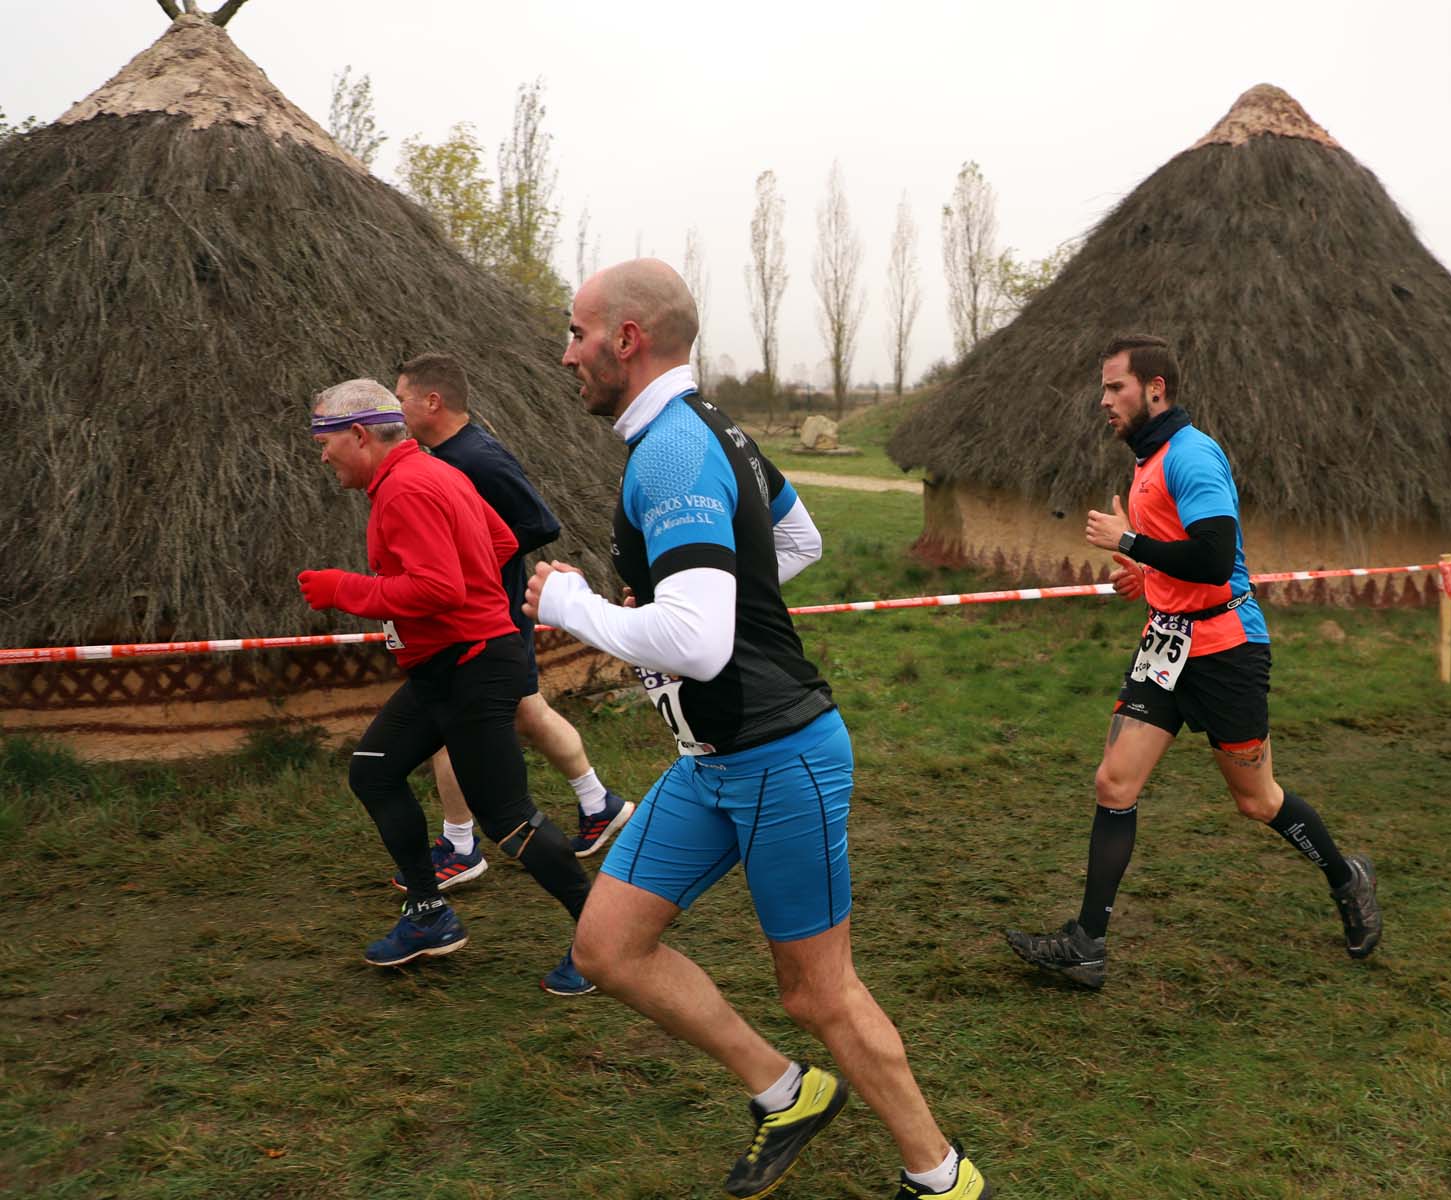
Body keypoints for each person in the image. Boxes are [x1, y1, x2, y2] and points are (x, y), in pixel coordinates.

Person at [525, 259, 986, 1200]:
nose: (564, 353)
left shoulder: (671, 451)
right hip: (709, 764)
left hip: (781, 758)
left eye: (575, 333)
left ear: (628, 339)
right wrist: (688, 590)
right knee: (606, 947)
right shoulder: (713, 430)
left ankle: (941, 1178)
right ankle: (787, 1092)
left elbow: (695, 641)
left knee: (818, 991)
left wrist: (573, 605)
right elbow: (798, 540)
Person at [1003, 333, 1382, 992]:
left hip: (1227, 650)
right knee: (1113, 784)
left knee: (1257, 800)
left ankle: (1345, 877)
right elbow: (1178, 569)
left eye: (1115, 387)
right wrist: (1143, 578)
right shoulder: (1148, 463)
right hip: (1167, 642)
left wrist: (1128, 541)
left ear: (1156, 388)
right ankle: (1087, 944)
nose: (1104, 401)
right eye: (1103, 388)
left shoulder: (1192, 456)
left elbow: (1212, 561)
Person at [299, 379, 597, 996]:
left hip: (473, 665)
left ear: (358, 436)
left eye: (324, 442)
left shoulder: (407, 488)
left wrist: (342, 590)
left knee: (507, 819)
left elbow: (437, 590)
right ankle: (429, 916)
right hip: (451, 663)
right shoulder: (436, 472)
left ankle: (604, 942)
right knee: (375, 773)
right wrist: (476, 600)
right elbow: (502, 542)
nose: (321, 455)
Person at [390, 352, 634, 893]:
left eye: (402, 397)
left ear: (432, 401)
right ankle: (600, 803)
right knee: (527, 709)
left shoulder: (476, 457)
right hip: (486, 614)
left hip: (487, 617)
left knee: (450, 720)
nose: (397, 408)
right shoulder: (448, 455)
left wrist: (470, 558)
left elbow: (538, 522)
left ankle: (460, 844)